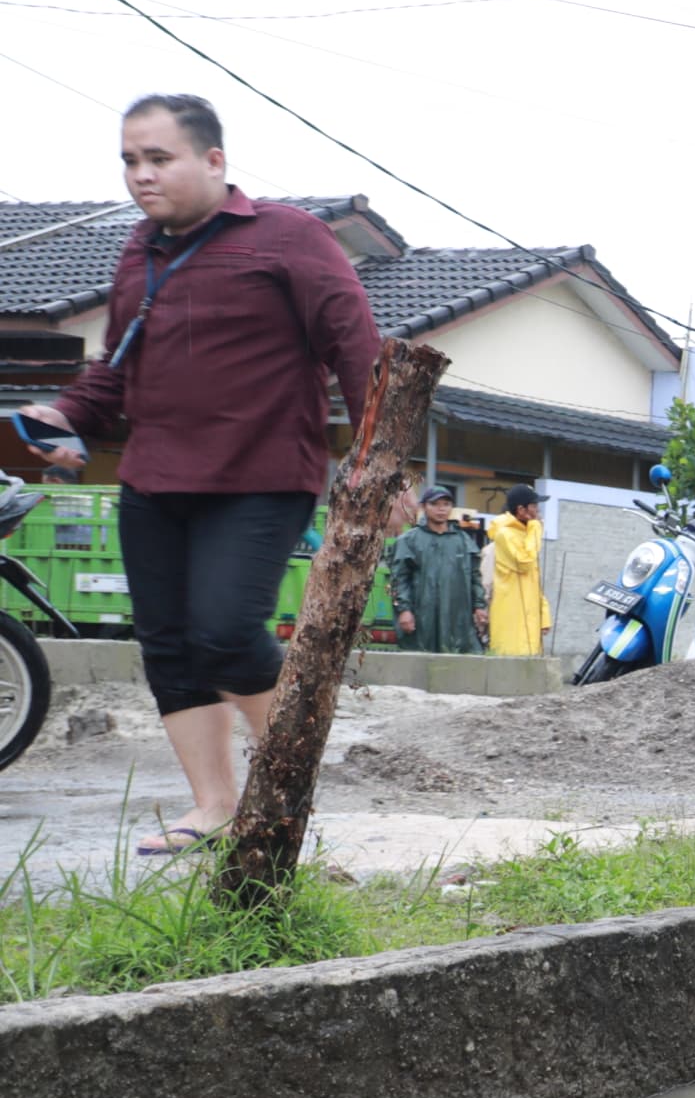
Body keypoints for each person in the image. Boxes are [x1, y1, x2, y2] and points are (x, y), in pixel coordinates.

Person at [16, 94, 377, 856]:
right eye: (129, 160)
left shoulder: (288, 237)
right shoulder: (138, 252)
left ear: (214, 161)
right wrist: (64, 416)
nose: (141, 176)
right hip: (154, 480)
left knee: (225, 632)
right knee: (171, 647)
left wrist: (384, 463)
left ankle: (288, 792)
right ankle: (214, 805)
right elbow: (115, 372)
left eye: (158, 158)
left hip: (260, 475)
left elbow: (357, 349)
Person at [386, 483, 486, 654]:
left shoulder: (462, 541)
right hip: (422, 616)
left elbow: (475, 577)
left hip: (457, 618)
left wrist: (479, 606)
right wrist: (404, 611)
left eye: (446, 504)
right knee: (419, 666)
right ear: (424, 507)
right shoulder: (410, 541)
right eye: (435, 504)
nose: (441, 509)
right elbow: (399, 579)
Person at [484, 486, 551, 658]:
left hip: (529, 617)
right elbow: (524, 562)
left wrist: (544, 616)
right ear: (521, 510)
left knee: (528, 666)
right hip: (511, 616)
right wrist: (536, 528)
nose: (538, 511)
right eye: (534, 506)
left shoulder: (526, 534)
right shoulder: (505, 534)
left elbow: (534, 582)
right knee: (509, 664)